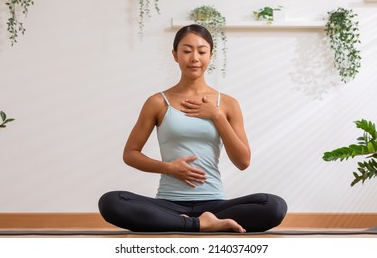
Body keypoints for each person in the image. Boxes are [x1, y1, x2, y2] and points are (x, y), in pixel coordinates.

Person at [98, 24, 287, 233]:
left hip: (215, 205)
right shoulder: (157, 102)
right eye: (187, 51)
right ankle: (200, 224)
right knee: (111, 202)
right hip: (169, 204)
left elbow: (243, 161)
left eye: (202, 51)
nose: (194, 57)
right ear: (175, 55)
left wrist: (216, 116)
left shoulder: (227, 104)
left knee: (274, 206)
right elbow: (130, 154)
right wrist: (168, 168)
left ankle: (190, 223)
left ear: (211, 55)